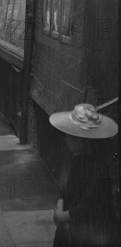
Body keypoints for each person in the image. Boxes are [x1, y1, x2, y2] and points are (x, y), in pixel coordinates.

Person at [49, 103, 120, 247]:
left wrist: (63, 216)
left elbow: (91, 205)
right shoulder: (76, 160)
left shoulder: (98, 169)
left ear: (83, 141)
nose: (65, 139)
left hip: (89, 231)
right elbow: (65, 189)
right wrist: (59, 208)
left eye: (70, 135)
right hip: (69, 224)